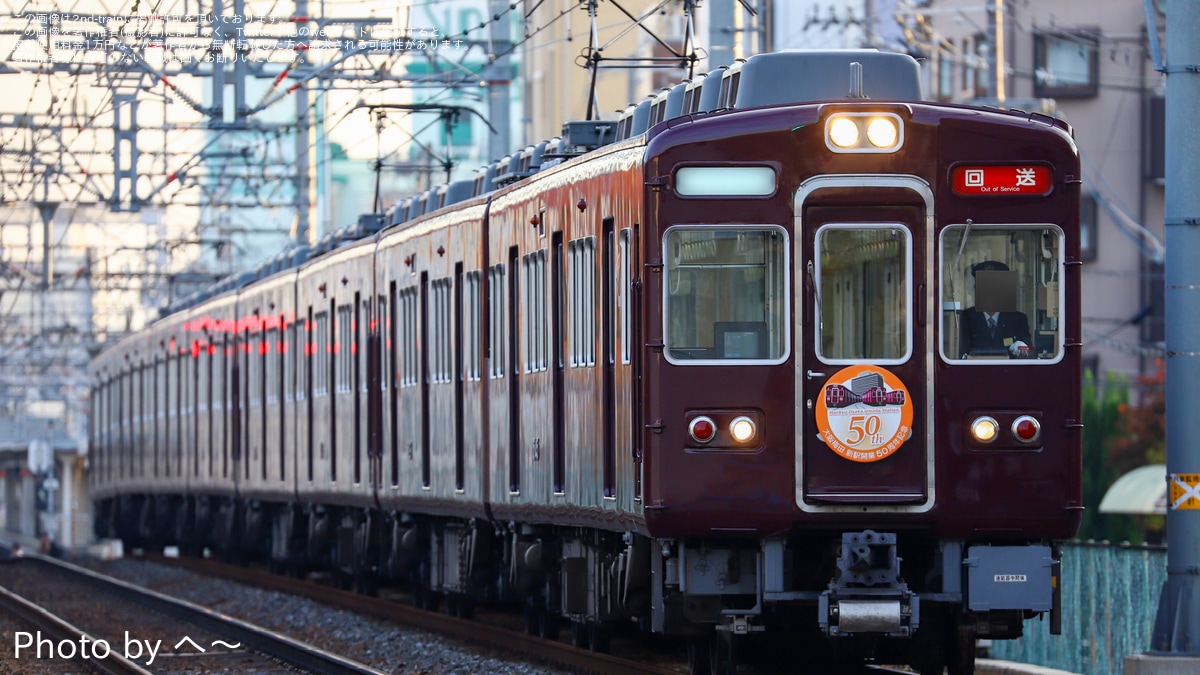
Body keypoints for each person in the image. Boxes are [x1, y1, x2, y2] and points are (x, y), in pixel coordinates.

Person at [960, 260, 1032, 357]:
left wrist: (1022, 347)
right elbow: (959, 351)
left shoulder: (1017, 319)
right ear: (975, 289)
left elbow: (1031, 350)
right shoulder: (966, 318)